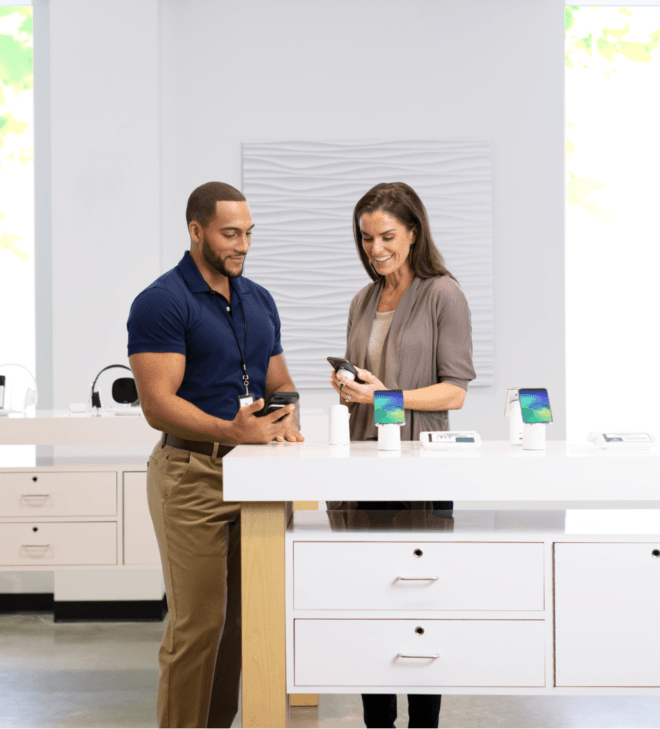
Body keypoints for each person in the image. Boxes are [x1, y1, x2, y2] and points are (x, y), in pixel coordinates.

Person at [126, 181, 304, 729]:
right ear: (196, 230)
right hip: (193, 475)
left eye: (248, 233)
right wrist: (233, 429)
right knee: (198, 625)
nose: (242, 245)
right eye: (230, 233)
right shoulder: (161, 301)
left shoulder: (259, 298)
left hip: (259, 474)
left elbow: (279, 380)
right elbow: (157, 405)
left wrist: (286, 417)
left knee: (243, 625)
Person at [328, 181, 476, 729]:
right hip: (364, 464)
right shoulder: (363, 300)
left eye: (386, 236)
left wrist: (384, 395)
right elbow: (369, 384)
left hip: (419, 468)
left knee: (417, 602)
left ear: (413, 232)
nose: (375, 248)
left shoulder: (443, 294)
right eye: (366, 238)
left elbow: (454, 390)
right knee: (369, 605)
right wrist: (353, 387)